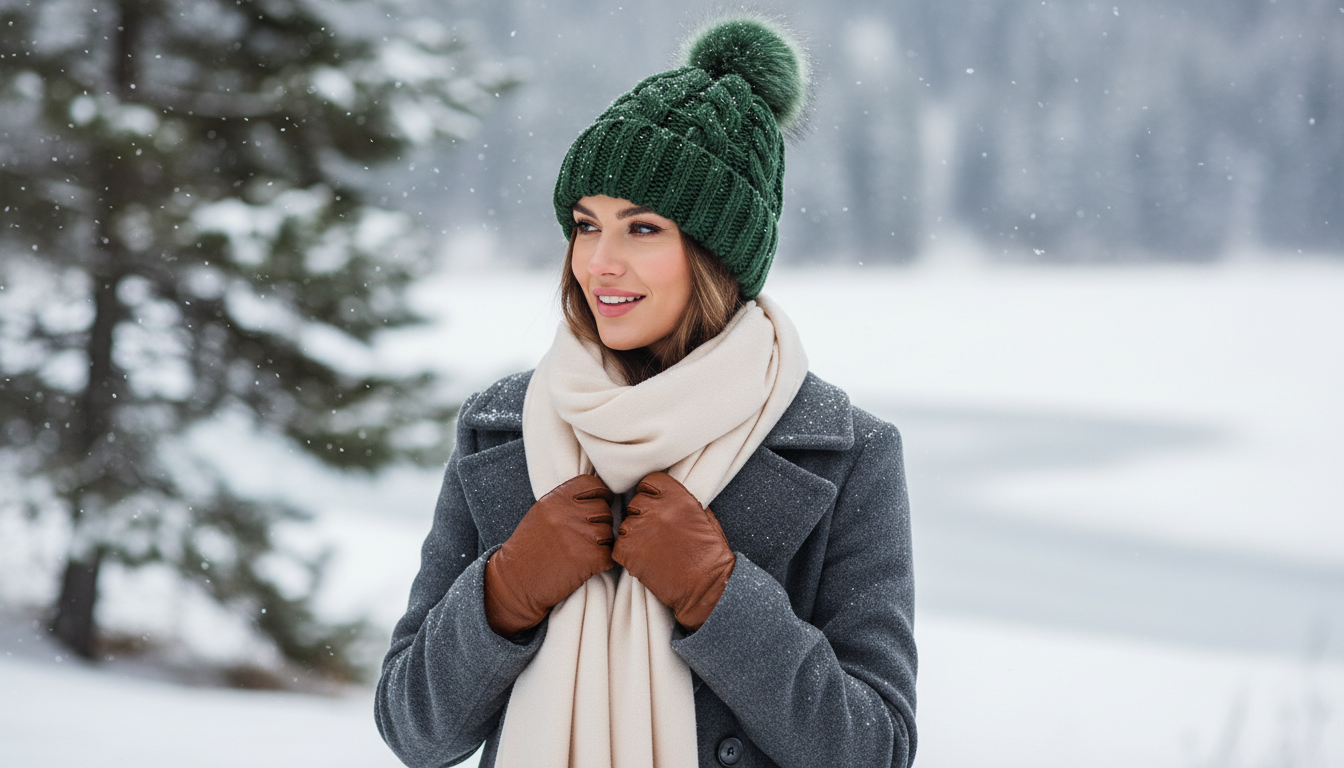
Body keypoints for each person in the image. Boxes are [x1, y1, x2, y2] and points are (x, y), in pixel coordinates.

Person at [375, 16, 917, 768]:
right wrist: (507, 589)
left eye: (643, 229)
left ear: (717, 252)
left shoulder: (844, 452)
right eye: (584, 225)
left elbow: (874, 748)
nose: (599, 263)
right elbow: (414, 730)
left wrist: (719, 594)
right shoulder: (502, 428)